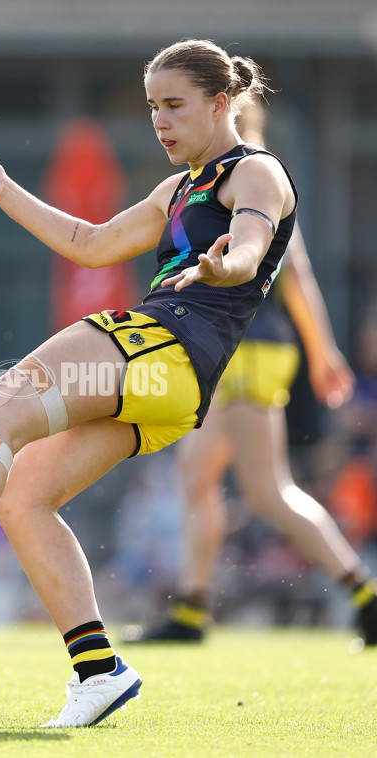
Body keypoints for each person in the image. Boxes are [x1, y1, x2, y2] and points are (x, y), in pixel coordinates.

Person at [0, 38, 297, 728]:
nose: (161, 121)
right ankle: (99, 671)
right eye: (152, 108)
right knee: (23, 495)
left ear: (221, 102)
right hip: (165, 384)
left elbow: (249, 249)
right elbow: (89, 243)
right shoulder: (178, 186)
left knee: (1, 402)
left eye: (174, 105)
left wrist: (221, 266)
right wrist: (4, 190)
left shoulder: (256, 171)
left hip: (164, 347)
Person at [125, 100, 377, 646]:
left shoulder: (255, 178)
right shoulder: (224, 179)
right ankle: (191, 608)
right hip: (243, 349)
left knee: (266, 491)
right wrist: (321, 350)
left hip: (249, 349)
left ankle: (364, 593)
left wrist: (325, 351)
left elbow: (299, 275)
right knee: (197, 475)